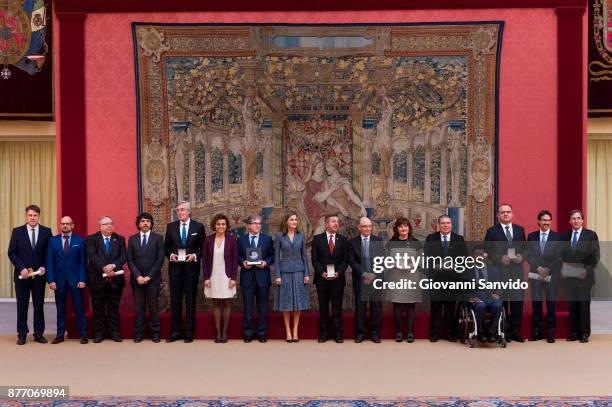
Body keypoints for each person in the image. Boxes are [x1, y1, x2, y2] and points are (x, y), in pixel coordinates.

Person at [7, 204, 52, 345]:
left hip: (39, 276)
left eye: (35, 215)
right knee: (22, 306)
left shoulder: (46, 231)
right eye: (30, 215)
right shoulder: (17, 231)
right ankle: (22, 334)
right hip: (23, 277)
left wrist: (44, 266)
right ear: (26, 216)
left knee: (39, 305)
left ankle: (39, 334)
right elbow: (12, 252)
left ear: (39, 216)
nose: (33, 218)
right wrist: (21, 268)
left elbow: (49, 253)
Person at [484, 203, 527, 342]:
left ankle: (516, 332)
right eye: (503, 212)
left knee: (517, 304)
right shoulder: (492, 231)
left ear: (512, 214)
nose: (506, 214)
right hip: (500, 272)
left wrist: (522, 257)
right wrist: (499, 258)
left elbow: (525, 249)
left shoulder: (520, 230)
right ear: (498, 216)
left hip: (517, 273)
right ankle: (504, 332)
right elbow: (487, 251)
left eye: (508, 211)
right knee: (502, 304)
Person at [164, 201, 205, 343]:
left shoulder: (198, 227)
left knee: (190, 301)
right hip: (175, 270)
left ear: (188, 211)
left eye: (182, 210)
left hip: (191, 270)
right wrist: (171, 256)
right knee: (175, 301)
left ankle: (189, 332)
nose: (179, 212)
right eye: (177, 210)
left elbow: (203, 249)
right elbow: (166, 248)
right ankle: (175, 332)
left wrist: (194, 256)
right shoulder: (171, 227)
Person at [425, 214, 468, 342]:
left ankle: (450, 333)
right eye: (443, 223)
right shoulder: (431, 238)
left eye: (448, 223)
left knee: (450, 308)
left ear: (451, 224)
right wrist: (436, 266)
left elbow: (464, 258)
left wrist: (455, 265)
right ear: (439, 225)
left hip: (452, 278)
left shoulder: (459, 239)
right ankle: (434, 334)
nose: (445, 225)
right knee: (436, 307)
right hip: (436, 278)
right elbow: (426, 256)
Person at [46, 216, 88, 344]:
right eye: (63, 223)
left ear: (72, 225)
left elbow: (82, 263)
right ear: (60, 225)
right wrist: (51, 280)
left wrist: (82, 279)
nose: (65, 226)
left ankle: (83, 334)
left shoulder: (80, 240)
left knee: (79, 308)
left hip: (76, 280)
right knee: (60, 308)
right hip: (58, 281)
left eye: (68, 224)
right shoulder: (52, 241)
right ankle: (60, 334)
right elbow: (49, 263)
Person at [560, 209, 600, 343]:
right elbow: (559, 255)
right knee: (572, 305)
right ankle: (574, 332)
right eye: (573, 218)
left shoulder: (591, 235)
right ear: (569, 221)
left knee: (583, 305)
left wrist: (586, 270)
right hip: (569, 277)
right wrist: (562, 269)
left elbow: (595, 256)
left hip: (584, 277)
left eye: (578, 218)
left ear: (582, 220)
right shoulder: (565, 236)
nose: (576, 221)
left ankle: (584, 333)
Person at [86, 216, 127, 343]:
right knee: (98, 309)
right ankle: (99, 333)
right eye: (105, 224)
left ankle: (114, 332)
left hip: (115, 281)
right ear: (100, 227)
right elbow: (92, 255)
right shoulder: (92, 239)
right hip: (97, 280)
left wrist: (113, 266)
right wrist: (104, 268)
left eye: (110, 223)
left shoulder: (119, 239)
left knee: (113, 308)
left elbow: (124, 256)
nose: (109, 226)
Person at [273, 211, 311, 342]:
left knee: (298, 303)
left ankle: (295, 331)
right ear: (286, 221)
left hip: (299, 272)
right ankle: (288, 332)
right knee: (286, 302)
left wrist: (306, 273)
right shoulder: (279, 236)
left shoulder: (301, 236)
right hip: (285, 272)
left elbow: (304, 257)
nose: (294, 222)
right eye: (291, 219)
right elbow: (277, 258)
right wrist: (277, 275)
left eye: (295, 219)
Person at [127, 212, 165, 343]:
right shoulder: (132, 239)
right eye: (142, 221)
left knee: (154, 307)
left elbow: (160, 260)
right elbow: (130, 260)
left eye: (148, 221)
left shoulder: (158, 238)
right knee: (139, 308)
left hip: (153, 280)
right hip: (137, 280)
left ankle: (155, 333)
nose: (145, 223)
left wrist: (149, 276)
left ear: (151, 224)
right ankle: (139, 333)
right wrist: (138, 276)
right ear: (138, 224)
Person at [311, 214, 349, 343]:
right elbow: (314, 260)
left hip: (338, 279)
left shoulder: (343, 240)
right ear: (326, 224)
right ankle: (324, 334)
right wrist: (322, 273)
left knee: (337, 307)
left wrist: (338, 272)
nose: (336, 224)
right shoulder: (317, 239)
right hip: (322, 279)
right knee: (323, 307)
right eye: (333, 222)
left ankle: (338, 334)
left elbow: (345, 260)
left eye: (337, 222)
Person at [526, 210, 561, 343]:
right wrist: (539, 268)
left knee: (551, 304)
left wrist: (547, 269)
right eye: (544, 220)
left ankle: (551, 333)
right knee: (536, 304)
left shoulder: (557, 237)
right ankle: (537, 332)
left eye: (548, 220)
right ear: (538, 221)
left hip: (552, 275)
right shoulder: (531, 236)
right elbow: (529, 255)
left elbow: (559, 257)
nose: (546, 222)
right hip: (536, 274)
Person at [238, 214, 274, 343]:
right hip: (247, 278)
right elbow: (238, 256)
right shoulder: (241, 240)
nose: (258, 225)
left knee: (263, 308)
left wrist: (265, 263)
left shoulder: (267, 239)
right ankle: (248, 333)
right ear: (248, 226)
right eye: (255, 223)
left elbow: (272, 256)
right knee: (248, 308)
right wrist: (243, 263)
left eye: (259, 223)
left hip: (262, 277)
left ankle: (262, 333)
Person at [386, 217, 423, 343]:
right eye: (401, 226)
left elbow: (422, 260)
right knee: (397, 305)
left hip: (411, 277)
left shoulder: (416, 242)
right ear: (396, 228)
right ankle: (399, 332)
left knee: (410, 305)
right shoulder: (390, 243)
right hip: (395, 277)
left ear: (409, 228)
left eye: (405, 226)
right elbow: (385, 259)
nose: (403, 228)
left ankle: (410, 332)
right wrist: (390, 263)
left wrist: (415, 264)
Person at [348, 216, 384, 343]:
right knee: (360, 308)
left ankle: (375, 334)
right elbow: (352, 261)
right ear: (359, 227)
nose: (367, 228)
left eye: (369, 226)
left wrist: (373, 275)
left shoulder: (378, 240)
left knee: (376, 308)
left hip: (376, 279)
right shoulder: (352, 242)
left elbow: (382, 260)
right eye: (364, 226)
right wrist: (365, 274)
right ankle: (361, 334)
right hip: (360, 280)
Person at [202, 213, 237, 343]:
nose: (221, 226)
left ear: (226, 225)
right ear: (214, 225)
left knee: (227, 303)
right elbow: (204, 260)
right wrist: (206, 277)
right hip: (212, 276)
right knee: (216, 303)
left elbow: (234, 259)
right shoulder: (208, 240)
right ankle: (218, 333)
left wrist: (233, 278)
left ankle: (225, 333)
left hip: (227, 276)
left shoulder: (232, 239)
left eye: (223, 224)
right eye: (218, 224)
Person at [465, 246, 503, 343]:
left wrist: (497, 294)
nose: (479, 256)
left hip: (491, 297)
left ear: (485, 256)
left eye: (481, 254)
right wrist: (469, 298)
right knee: (480, 306)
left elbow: (499, 286)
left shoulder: (493, 270)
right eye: (476, 254)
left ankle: (491, 333)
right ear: (472, 256)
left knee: (498, 305)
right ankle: (480, 333)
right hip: (476, 298)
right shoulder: (467, 271)